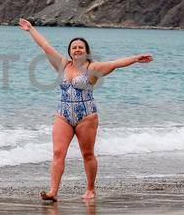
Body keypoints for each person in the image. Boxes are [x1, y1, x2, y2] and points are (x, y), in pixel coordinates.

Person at [17, 19, 153, 203]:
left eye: (81, 47)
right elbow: (45, 46)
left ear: (86, 51)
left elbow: (115, 63)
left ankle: (90, 189)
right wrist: (30, 29)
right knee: (58, 153)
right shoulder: (62, 65)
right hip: (63, 115)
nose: (77, 50)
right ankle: (53, 191)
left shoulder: (93, 67)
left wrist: (135, 58)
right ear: (70, 51)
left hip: (86, 117)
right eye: (74, 47)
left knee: (87, 154)